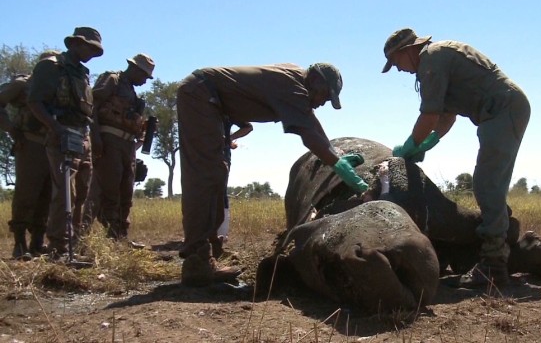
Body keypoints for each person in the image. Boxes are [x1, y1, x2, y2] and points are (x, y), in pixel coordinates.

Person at [176, 63, 368, 287]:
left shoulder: (297, 83)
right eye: (326, 96)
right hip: (201, 95)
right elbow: (309, 135)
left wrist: (337, 154)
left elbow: (312, 123)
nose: (324, 102)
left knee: (216, 172)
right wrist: (339, 166)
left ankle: (208, 252)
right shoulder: (294, 88)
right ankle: (196, 263)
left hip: (210, 100)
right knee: (206, 174)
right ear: (316, 80)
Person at [381, 28, 531, 287]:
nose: (398, 69)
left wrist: (410, 146)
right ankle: (498, 248)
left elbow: (429, 116)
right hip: (500, 110)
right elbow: (446, 116)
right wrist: (429, 142)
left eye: (395, 62)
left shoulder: (431, 59)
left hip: (502, 110)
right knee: (488, 183)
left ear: (406, 51)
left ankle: (493, 264)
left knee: (487, 184)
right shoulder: (435, 59)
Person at [27, 27, 104, 256]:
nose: (91, 52)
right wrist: (56, 129)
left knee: (82, 192)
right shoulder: (51, 66)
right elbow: (35, 102)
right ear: (75, 44)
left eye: (94, 49)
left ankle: (76, 244)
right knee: (65, 192)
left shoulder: (82, 72)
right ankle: (59, 246)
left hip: (83, 135)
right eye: (88, 47)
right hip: (63, 133)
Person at [80, 53, 155, 248]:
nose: (145, 81)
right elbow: (92, 106)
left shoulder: (131, 91)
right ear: (135, 69)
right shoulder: (112, 79)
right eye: (144, 76)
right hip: (109, 141)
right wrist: (95, 136)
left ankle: (120, 237)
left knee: (125, 191)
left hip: (127, 146)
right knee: (108, 189)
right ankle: (99, 236)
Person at [0, 50, 59, 258]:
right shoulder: (23, 84)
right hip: (30, 144)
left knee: (46, 195)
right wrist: (10, 128)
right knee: (26, 193)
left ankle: (37, 242)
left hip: (52, 147)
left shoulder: (58, 87)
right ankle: (19, 244)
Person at [216, 118, 253, 242]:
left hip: (220, 154)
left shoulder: (225, 111)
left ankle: (221, 233)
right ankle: (210, 233)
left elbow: (248, 127)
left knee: (220, 189)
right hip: (206, 154)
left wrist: (229, 138)